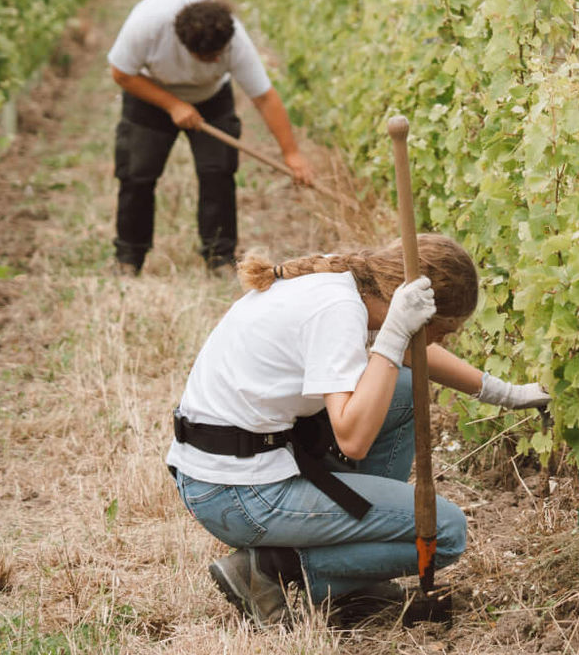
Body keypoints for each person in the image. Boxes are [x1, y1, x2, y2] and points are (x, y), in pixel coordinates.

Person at [168, 239, 553, 623]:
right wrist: (396, 333)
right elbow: (353, 439)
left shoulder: (345, 283)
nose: (443, 340)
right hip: (237, 495)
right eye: (443, 330)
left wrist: (508, 394)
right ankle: (271, 568)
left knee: (403, 387)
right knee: (444, 532)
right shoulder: (339, 311)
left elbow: (411, 355)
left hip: (227, 469)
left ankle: (351, 573)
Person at [107, 0, 311, 274]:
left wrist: (291, 153)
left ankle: (219, 257)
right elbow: (121, 73)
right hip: (149, 95)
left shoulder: (234, 39)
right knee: (136, 175)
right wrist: (173, 105)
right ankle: (129, 257)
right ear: (183, 45)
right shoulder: (147, 26)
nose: (217, 62)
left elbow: (264, 98)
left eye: (220, 55)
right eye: (208, 57)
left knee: (218, 173)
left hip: (212, 99)